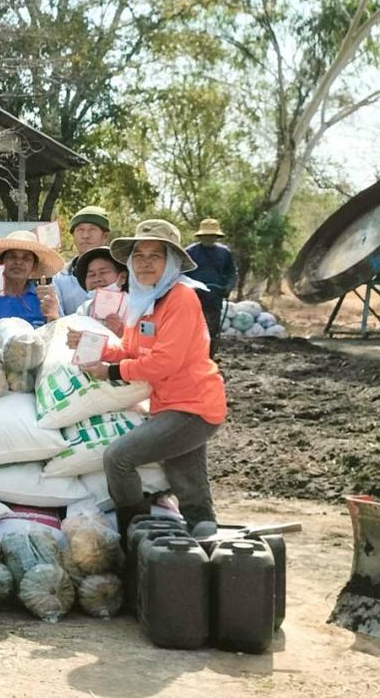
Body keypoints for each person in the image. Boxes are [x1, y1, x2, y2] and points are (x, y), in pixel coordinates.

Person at [67, 219, 226, 538]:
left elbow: (164, 362)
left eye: (156, 256)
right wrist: (91, 343)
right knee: (185, 477)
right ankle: (201, 530)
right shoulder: (144, 299)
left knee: (118, 458)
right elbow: (128, 348)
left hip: (193, 407)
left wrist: (110, 371)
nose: (145, 263)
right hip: (168, 404)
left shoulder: (181, 297)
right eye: (138, 255)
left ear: (173, 262)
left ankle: (134, 531)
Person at [0, 231, 63, 343]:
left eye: (26, 258)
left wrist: (53, 317)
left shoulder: (46, 299)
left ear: (34, 267)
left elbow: (60, 342)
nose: (18, 262)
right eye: (12, 257)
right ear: (1, 262)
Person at [185, 218, 238, 357]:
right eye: (206, 235)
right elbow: (181, 275)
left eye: (212, 235)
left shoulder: (224, 253)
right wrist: (189, 289)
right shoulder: (190, 252)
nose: (209, 238)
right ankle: (191, 357)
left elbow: (231, 273)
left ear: (217, 236)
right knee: (191, 330)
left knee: (212, 330)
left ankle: (209, 358)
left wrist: (228, 287)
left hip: (215, 297)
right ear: (201, 236)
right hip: (194, 298)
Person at [51, 206, 111, 317]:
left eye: (92, 229)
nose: (85, 236)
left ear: (105, 236)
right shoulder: (60, 278)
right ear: (73, 236)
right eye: (80, 230)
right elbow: (57, 319)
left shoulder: (119, 272)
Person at [71, 245, 128, 323]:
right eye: (91, 275)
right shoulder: (85, 309)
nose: (97, 279)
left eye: (103, 272)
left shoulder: (135, 307)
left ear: (122, 277)